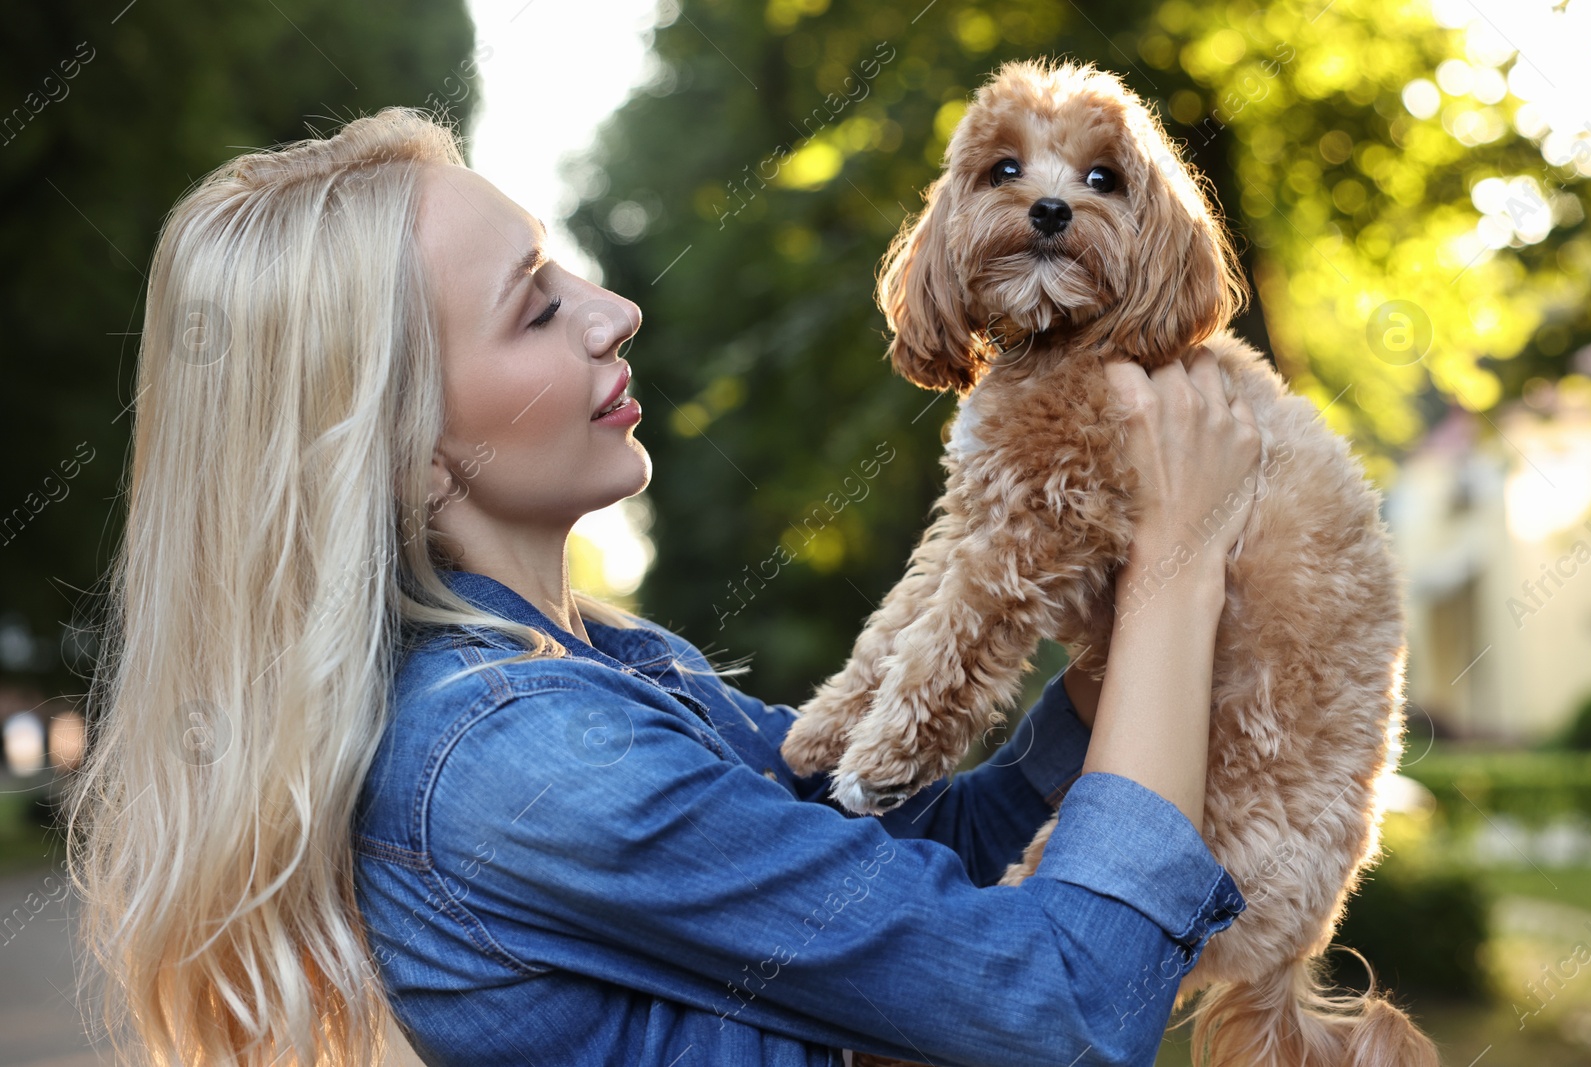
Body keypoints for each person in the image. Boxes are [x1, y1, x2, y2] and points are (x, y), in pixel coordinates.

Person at [68, 107, 1259, 1067]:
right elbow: (1063, 1004)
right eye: (538, 306)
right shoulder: (521, 759)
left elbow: (891, 847)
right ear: (407, 451)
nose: (615, 312)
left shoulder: (606, 664)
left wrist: (1106, 676)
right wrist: (1176, 564)